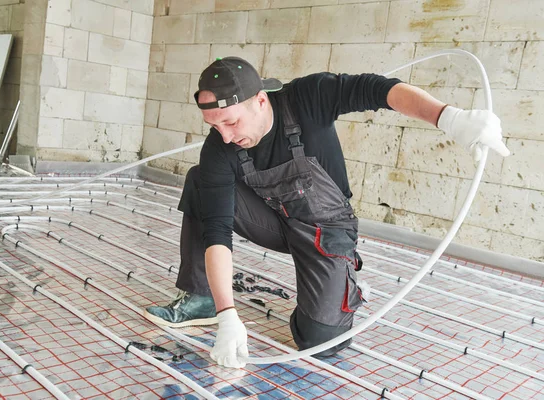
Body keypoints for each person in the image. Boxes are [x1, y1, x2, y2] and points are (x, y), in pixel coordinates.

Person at [144, 56, 510, 368]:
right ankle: (202, 297)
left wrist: (449, 118)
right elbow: (218, 232)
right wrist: (227, 315)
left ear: (260, 100)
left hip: (326, 229)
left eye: (232, 122)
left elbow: (379, 89)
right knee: (199, 181)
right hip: (276, 222)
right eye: (215, 126)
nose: (225, 136)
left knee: (320, 342)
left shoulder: (307, 97)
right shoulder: (219, 148)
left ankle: (344, 284)